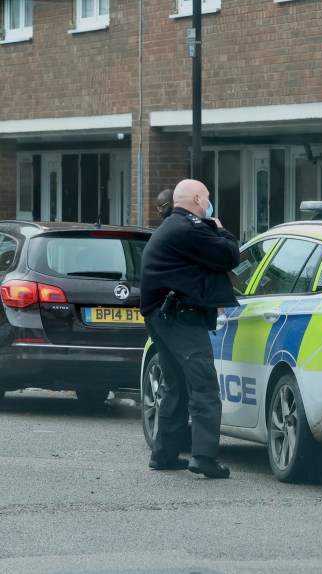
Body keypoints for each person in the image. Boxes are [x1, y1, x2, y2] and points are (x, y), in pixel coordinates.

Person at [139, 179, 240, 479]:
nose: (209, 203)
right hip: (180, 318)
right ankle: (204, 458)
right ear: (197, 198)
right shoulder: (190, 227)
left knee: (177, 385)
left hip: (163, 316)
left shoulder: (173, 226)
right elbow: (229, 255)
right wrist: (220, 228)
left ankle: (165, 454)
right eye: (207, 197)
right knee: (205, 387)